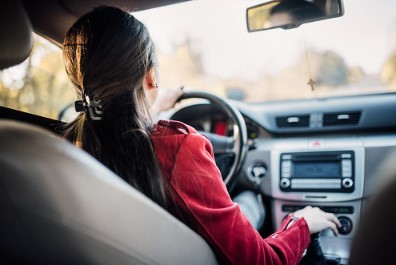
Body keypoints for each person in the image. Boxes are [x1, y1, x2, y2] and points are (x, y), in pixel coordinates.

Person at [61, 6, 341, 265]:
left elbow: (116, 118)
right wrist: (301, 222)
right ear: (151, 78)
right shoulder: (179, 148)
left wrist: (157, 104)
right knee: (250, 200)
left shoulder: (64, 145)